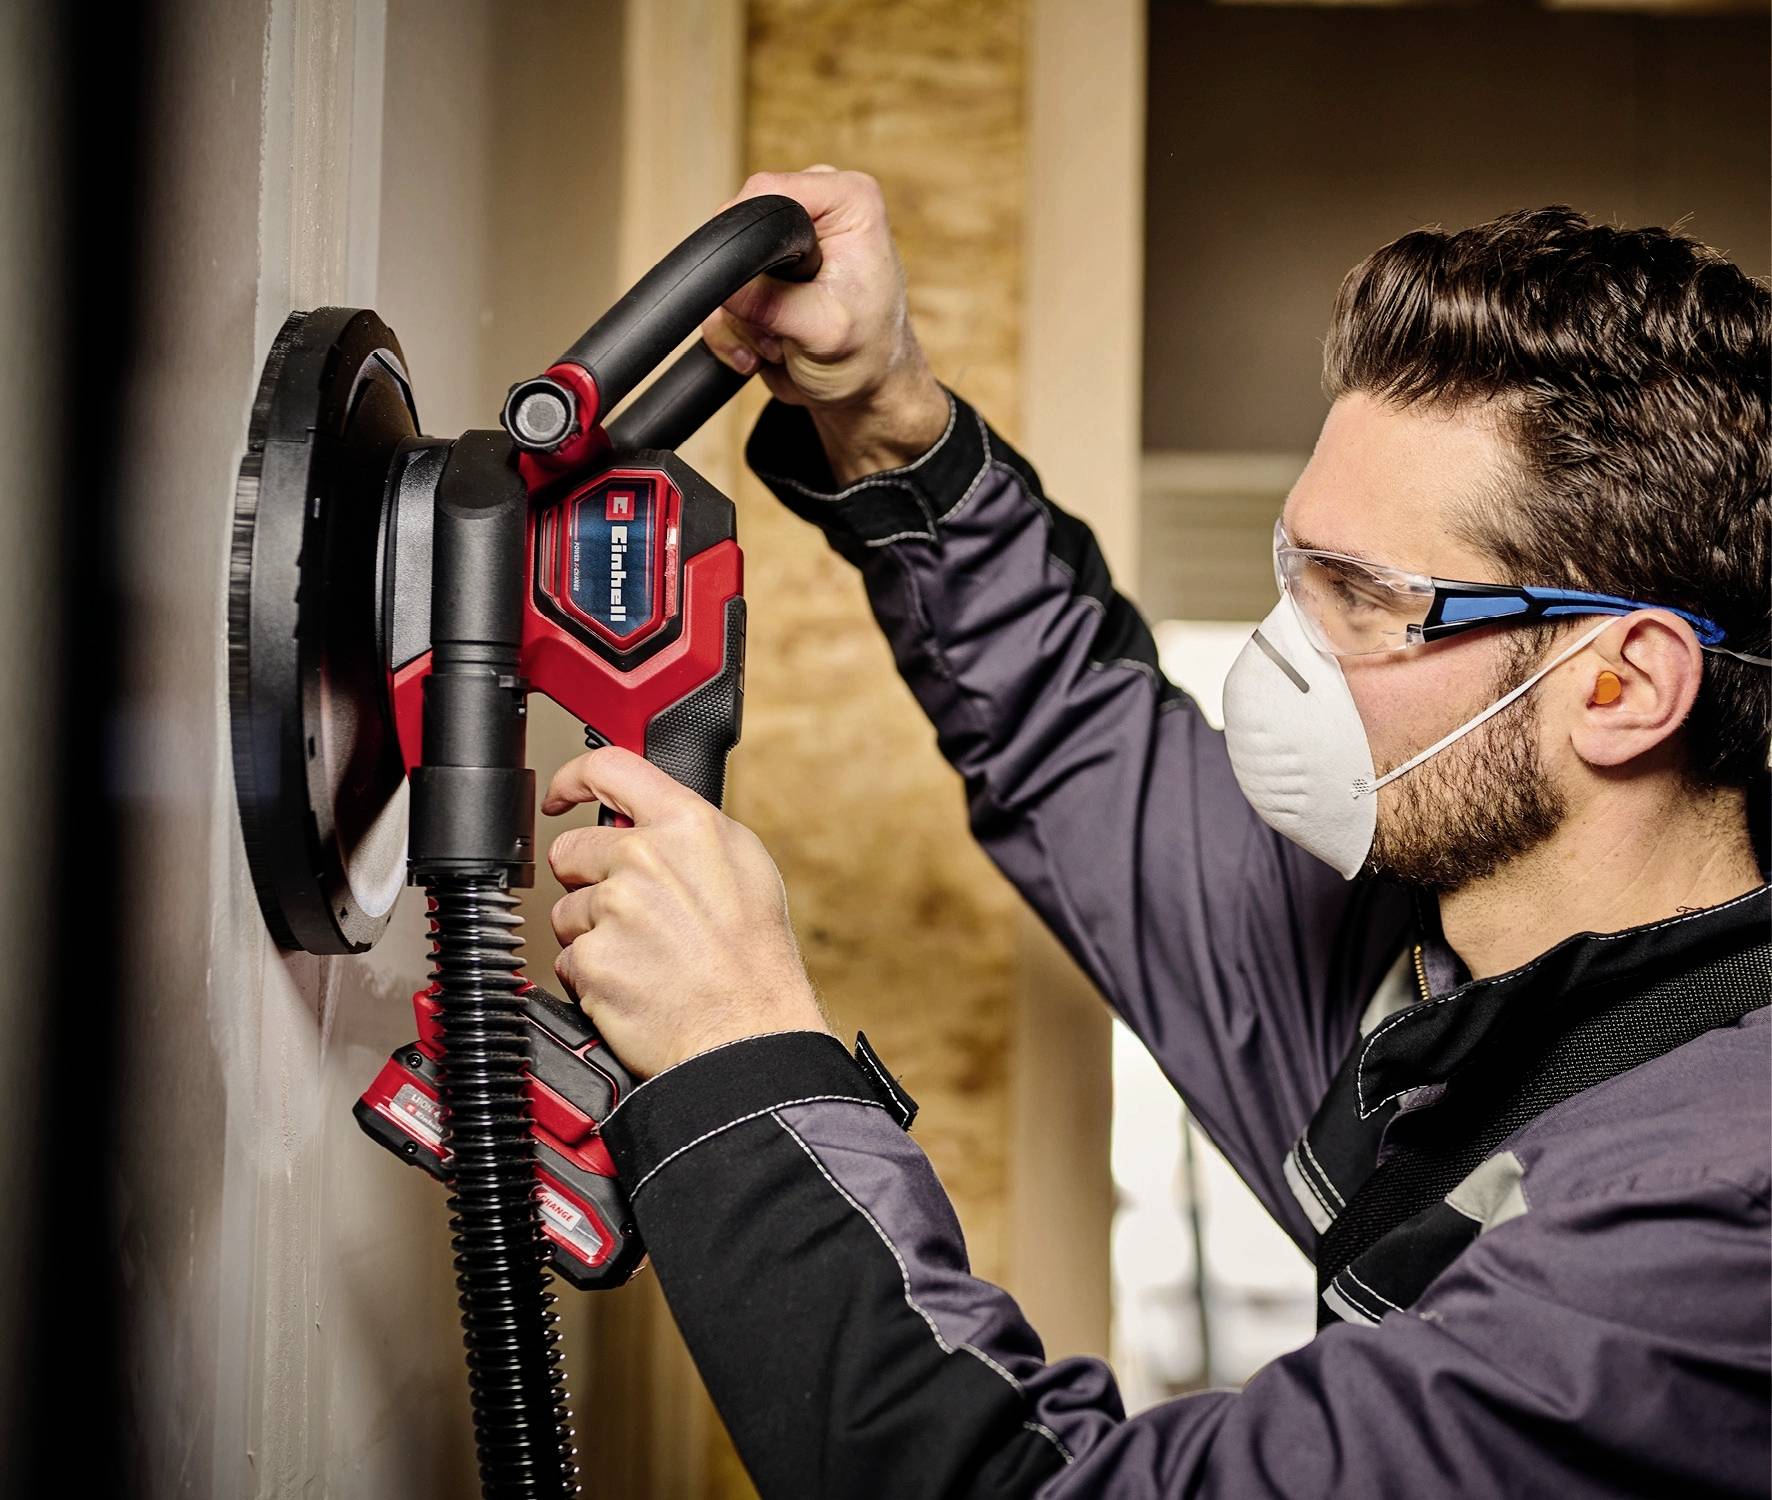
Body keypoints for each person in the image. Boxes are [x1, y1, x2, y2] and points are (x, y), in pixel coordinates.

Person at [541, 168, 1771, 1497]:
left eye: (1365, 597)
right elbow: (1075, 736)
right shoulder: (1436, 994)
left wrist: (739, 1053)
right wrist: (883, 410)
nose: (1284, 650)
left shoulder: (1711, 1227)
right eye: (1297, 571)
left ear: (1619, 686)